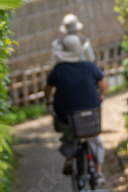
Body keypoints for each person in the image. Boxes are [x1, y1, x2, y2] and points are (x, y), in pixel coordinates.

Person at [44, 34, 107, 182]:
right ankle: (99, 172)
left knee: (68, 132)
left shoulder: (59, 69)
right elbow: (103, 83)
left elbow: (47, 89)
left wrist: (48, 99)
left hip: (67, 115)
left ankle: (70, 156)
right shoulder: (90, 66)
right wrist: (101, 95)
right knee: (94, 138)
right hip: (90, 114)